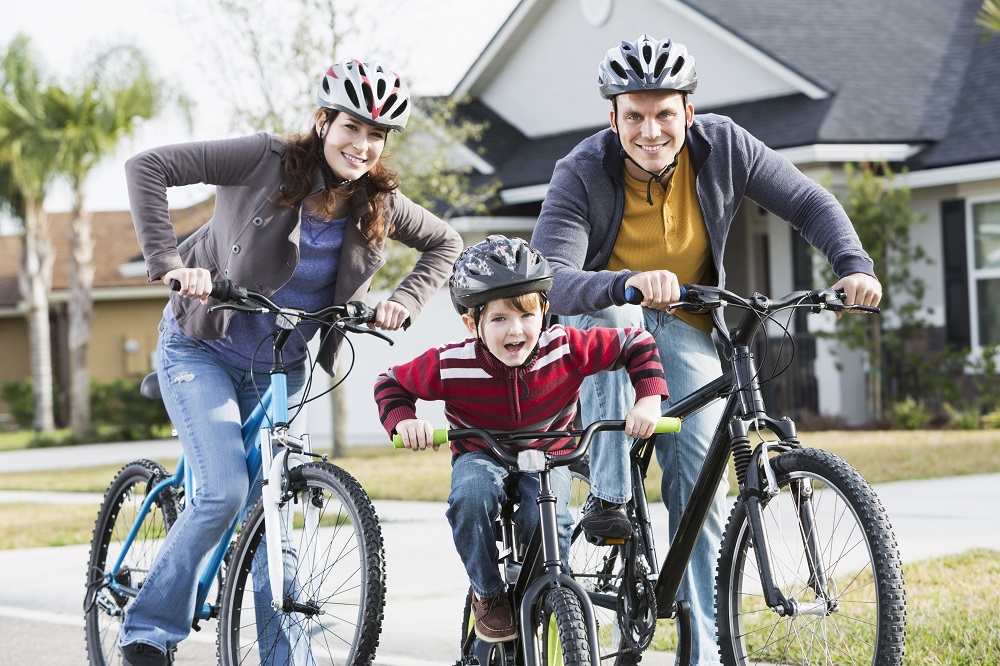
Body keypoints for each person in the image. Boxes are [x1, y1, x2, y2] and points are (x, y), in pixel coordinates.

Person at [531, 34, 883, 665]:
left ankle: (707, 655)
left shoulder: (724, 146)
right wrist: (625, 283)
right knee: (618, 316)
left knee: (700, 488)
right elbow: (552, 278)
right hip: (601, 332)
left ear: (688, 113)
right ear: (613, 118)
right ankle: (609, 496)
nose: (650, 131)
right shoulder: (581, 170)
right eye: (634, 116)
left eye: (664, 113)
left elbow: (808, 201)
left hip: (688, 329)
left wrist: (852, 265)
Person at [119, 59, 462, 666]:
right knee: (224, 492)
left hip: (283, 365)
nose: (362, 145)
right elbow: (147, 167)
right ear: (323, 121)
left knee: (274, 502)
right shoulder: (262, 159)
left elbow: (445, 242)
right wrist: (170, 264)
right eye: (351, 127)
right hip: (202, 347)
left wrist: (404, 302)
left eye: (376, 135)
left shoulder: (378, 201)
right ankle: (147, 631)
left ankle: (282, 658)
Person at [373, 235, 668, 643]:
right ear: (472, 324)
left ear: (545, 311)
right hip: (481, 453)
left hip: (549, 454)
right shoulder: (451, 363)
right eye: (499, 319)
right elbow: (390, 382)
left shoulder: (564, 347)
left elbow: (636, 343)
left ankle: (549, 592)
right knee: (470, 498)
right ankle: (488, 593)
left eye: (527, 315)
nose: (515, 330)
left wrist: (647, 399)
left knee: (545, 519)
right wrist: (405, 421)